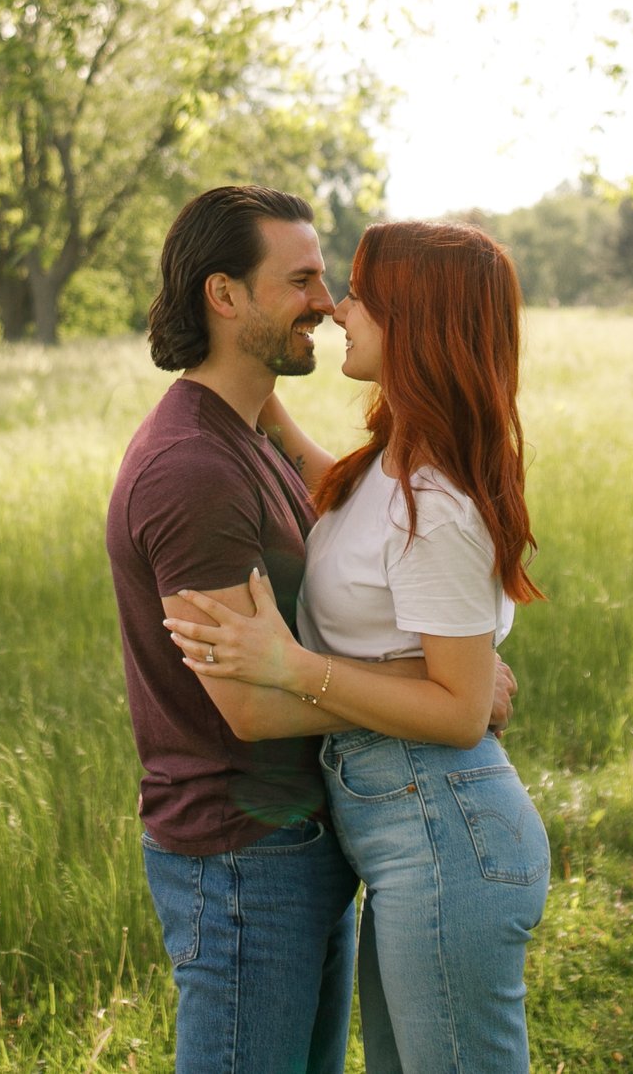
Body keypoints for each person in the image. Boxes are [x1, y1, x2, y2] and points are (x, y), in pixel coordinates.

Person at [105, 189, 516, 1074]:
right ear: (225, 295)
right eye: (302, 279)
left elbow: (357, 520)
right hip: (243, 851)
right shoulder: (193, 470)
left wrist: (451, 678)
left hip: (314, 835)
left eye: (337, 281)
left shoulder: (254, 437)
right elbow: (250, 708)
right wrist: (440, 690)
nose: (329, 302)